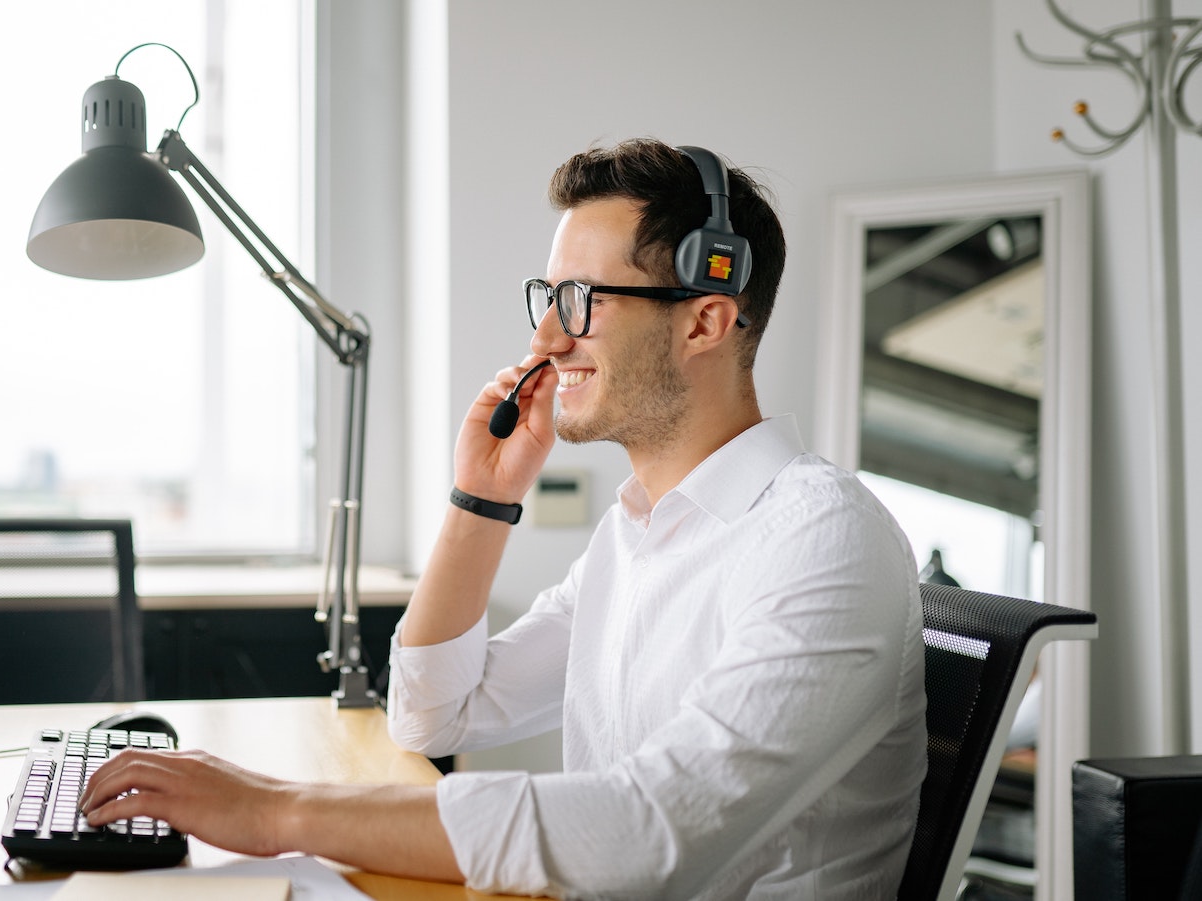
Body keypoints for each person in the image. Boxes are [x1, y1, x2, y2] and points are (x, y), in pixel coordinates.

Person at [80, 138, 926, 899]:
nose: (548, 336)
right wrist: (481, 501)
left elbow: (645, 836)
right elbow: (434, 716)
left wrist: (276, 811)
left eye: (582, 298)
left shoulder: (823, 541)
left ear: (705, 316)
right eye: (548, 296)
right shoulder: (640, 532)